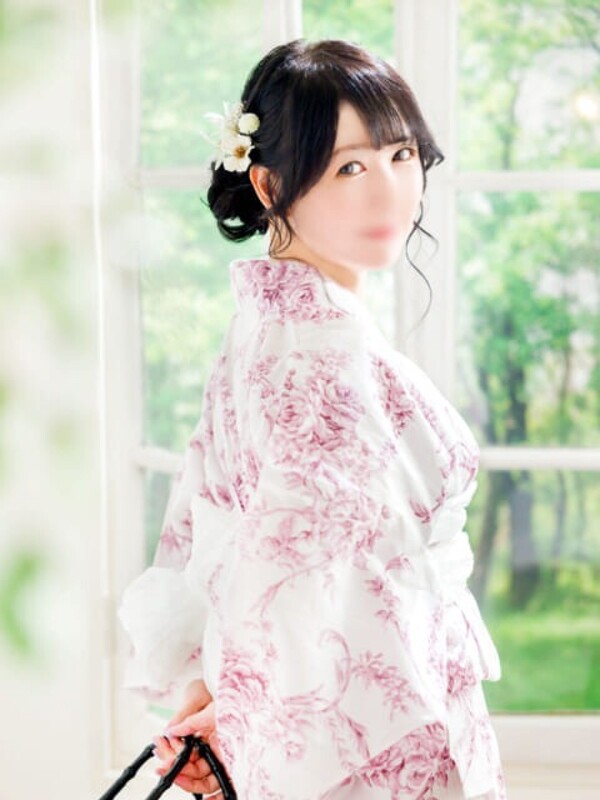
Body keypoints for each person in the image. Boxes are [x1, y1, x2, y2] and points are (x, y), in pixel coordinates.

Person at [117, 38, 508, 800]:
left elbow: (207, 523)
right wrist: (239, 714)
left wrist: (216, 694)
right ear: (268, 183)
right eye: (349, 168)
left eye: (402, 156)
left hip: (325, 705)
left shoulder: (268, 322)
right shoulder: (314, 342)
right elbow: (294, 566)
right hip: (370, 721)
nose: (389, 192)